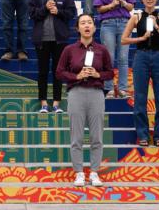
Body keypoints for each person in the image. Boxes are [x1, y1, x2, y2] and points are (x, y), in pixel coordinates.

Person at [56, 14, 113, 187]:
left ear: (94, 28)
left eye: (89, 23)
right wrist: (76, 76)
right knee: (77, 136)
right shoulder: (69, 50)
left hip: (96, 93)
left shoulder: (101, 50)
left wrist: (98, 74)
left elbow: (110, 72)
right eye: (83, 23)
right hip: (76, 93)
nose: (87, 26)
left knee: (97, 136)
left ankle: (94, 172)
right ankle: (79, 172)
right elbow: (59, 72)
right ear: (77, 28)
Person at [121, 0, 159, 147]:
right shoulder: (136, 16)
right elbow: (124, 39)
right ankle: (142, 134)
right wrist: (141, 38)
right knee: (140, 97)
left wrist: (157, 26)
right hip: (141, 57)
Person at [29, 0, 76, 113]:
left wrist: (58, 11)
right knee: (42, 71)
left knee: (58, 71)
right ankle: (43, 103)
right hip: (41, 39)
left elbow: (71, 13)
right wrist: (45, 8)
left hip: (59, 39)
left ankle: (56, 103)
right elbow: (32, 14)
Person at [93, 0, 135, 98]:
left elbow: (131, 7)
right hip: (108, 24)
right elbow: (99, 9)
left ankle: (123, 88)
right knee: (109, 57)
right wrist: (111, 5)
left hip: (124, 23)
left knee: (123, 57)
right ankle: (109, 87)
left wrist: (123, 2)